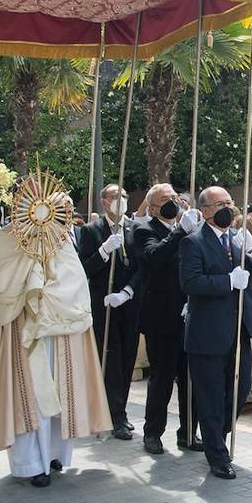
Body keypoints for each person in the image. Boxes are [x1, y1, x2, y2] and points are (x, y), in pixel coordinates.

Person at [0, 190, 111, 488]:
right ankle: (30, 463)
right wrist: (30, 278)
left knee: (60, 393)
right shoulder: (8, 238)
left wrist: (54, 296)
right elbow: (0, 285)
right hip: (24, 330)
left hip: (62, 331)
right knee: (31, 398)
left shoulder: (63, 240)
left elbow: (76, 280)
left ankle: (54, 454)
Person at [180, 187, 252, 479]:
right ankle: (217, 455)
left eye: (229, 204)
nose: (227, 209)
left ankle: (215, 437)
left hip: (238, 332)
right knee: (210, 397)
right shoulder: (193, 242)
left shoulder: (238, 239)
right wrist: (227, 282)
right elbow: (191, 283)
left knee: (239, 390)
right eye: (220, 204)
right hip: (208, 334)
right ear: (205, 211)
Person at [131, 184, 201, 455]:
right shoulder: (144, 230)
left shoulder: (188, 230)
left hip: (190, 315)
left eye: (174, 198)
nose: (172, 203)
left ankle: (188, 433)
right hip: (161, 318)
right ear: (152, 207)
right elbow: (156, 256)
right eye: (165, 200)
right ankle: (153, 433)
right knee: (161, 379)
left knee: (189, 380)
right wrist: (181, 231)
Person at [77, 184, 142, 440]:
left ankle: (121, 408)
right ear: (104, 202)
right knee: (111, 359)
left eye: (124, 196)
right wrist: (103, 251)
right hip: (103, 303)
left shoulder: (135, 228)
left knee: (127, 358)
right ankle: (114, 415)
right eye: (116, 197)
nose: (121, 200)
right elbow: (85, 269)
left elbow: (141, 267)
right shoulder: (91, 230)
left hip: (129, 302)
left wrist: (127, 291)